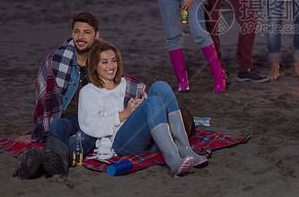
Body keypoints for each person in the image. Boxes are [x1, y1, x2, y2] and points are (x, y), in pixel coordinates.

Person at [14, 12, 140, 179]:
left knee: (82, 138)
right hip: (68, 117)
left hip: (91, 119)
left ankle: (45, 165)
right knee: (57, 125)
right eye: (76, 31)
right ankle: (52, 163)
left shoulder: (103, 59)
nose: (80, 37)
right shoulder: (56, 61)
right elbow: (43, 100)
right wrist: (37, 131)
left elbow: (118, 81)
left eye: (87, 32)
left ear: (96, 35)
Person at [78, 41, 207, 177]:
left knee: (160, 86)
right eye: (104, 62)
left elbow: (151, 107)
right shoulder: (89, 92)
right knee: (153, 101)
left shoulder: (127, 83)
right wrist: (125, 114)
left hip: (145, 137)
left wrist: (140, 107)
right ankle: (174, 160)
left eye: (114, 61)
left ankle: (185, 148)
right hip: (120, 144)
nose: (111, 66)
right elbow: (90, 124)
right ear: (94, 66)